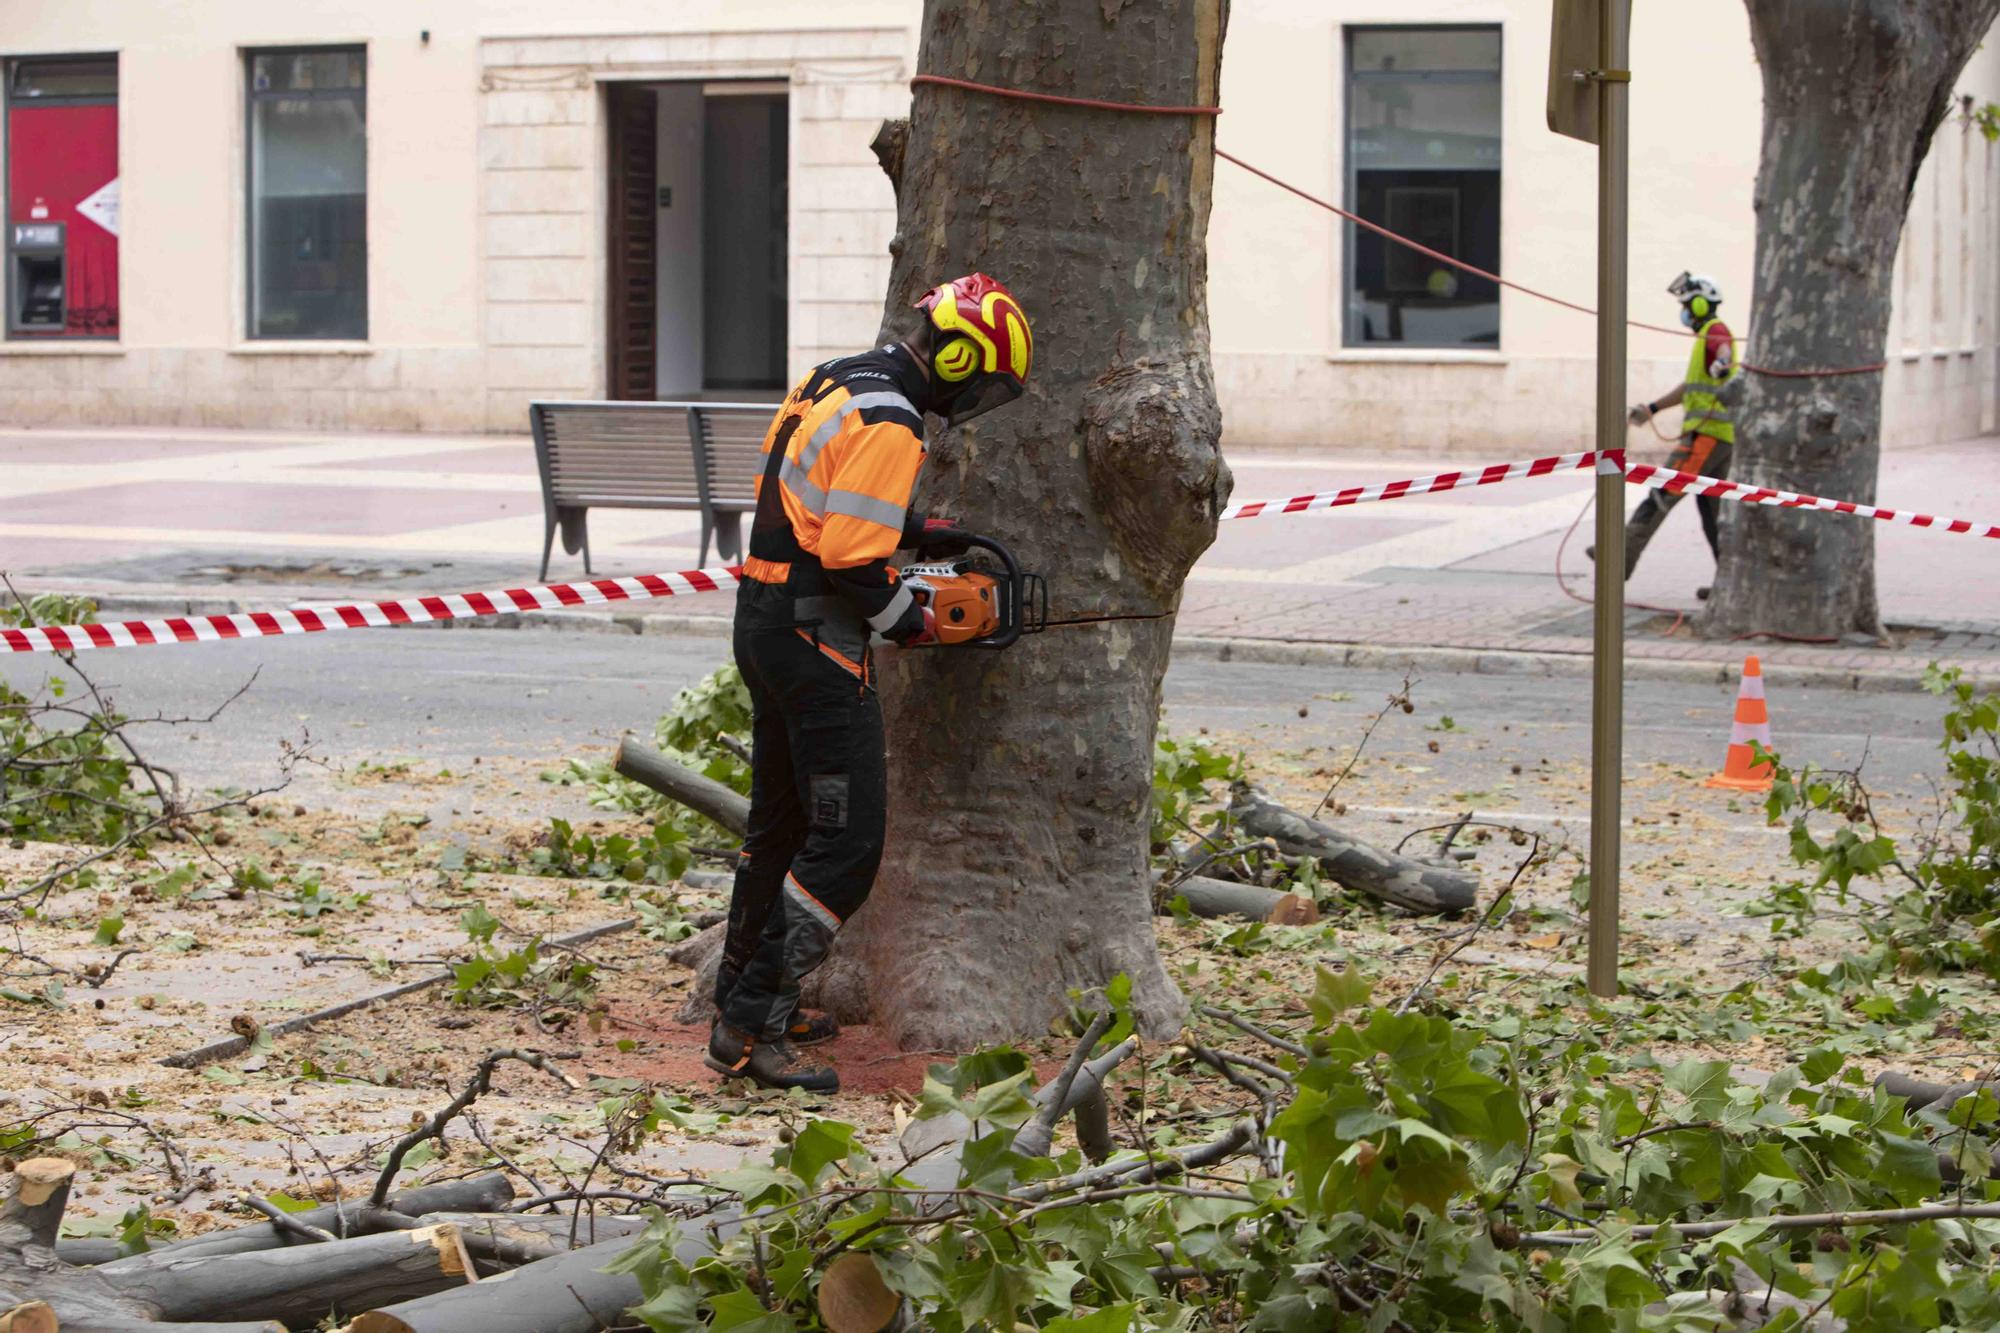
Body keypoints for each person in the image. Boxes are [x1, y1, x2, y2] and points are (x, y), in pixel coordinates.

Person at [706, 273, 1034, 1092]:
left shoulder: (839, 379)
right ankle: (754, 1026)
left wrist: (920, 530)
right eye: (985, 380)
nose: (979, 397)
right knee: (845, 846)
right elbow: (853, 559)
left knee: (777, 828)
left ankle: (737, 999)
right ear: (959, 355)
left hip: (764, 614)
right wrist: (913, 619)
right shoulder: (894, 417)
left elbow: (815, 505)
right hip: (816, 636)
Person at [1593, 271, 1738, 596]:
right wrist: (1652, 409)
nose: (1684, 310)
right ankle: (1731, 588)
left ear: (1701, 304)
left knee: (1663, 491)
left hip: (1706, 437)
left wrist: (1724, 364)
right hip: (1717, 437)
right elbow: (1690, 387)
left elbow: (1724, 356)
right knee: (1713, 514)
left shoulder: (1715, 332)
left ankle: (1618, 558)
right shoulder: (1705, 339)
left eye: (1686, 303)